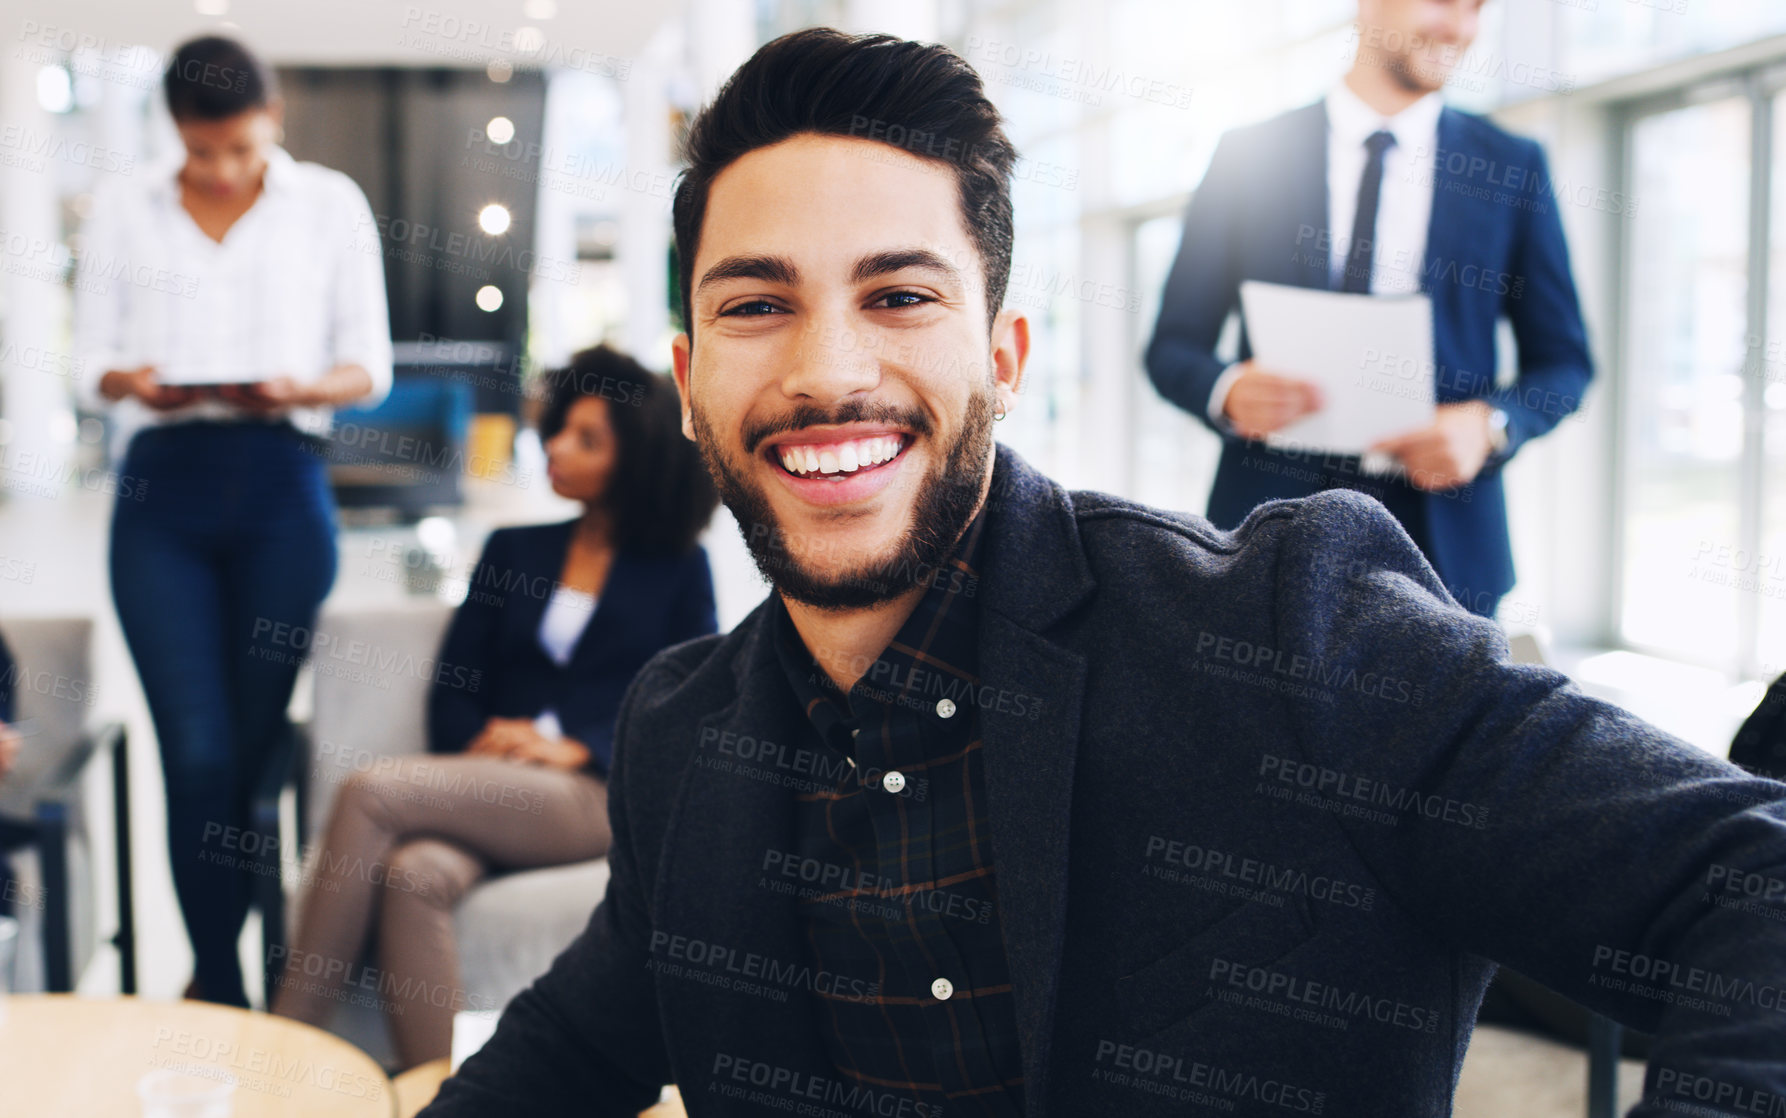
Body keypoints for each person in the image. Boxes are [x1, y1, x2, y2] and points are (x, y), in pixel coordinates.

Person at [422, 29, 1786, 1117]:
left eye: (899, 294)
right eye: (754, 304)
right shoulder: (683, 731)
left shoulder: (1291, 634)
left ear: (1003, 359)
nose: (826, 370)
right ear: (688, 380)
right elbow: (568, 1049)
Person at [272, 348, 720, 1069]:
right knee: (415, 873)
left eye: (587, 439)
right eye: (558, 432)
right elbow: (454, 685)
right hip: (492, 786)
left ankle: (285, 1045)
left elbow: (689, 697)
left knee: (371, 792)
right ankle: (438, 1092)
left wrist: (577, 745)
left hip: (597, 792)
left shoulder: (678, 569)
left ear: (635, 458)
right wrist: (487, 743)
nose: (556, 449)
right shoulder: (514, 551)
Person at [73, 36, 393, 1006]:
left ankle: (261, 971)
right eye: (203, 152)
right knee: (197, 749)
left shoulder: (329, 205)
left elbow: (366, 366)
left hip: (280, 490)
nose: (222, 170)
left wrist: (298, 385)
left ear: (274, 119)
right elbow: (89, 360)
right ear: (174, 131)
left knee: (252, 754)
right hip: (159, 493)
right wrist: (132, 380)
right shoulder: (125, 206)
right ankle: (218, 976)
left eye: (242, 150)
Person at [1144, 0, 1593, 619]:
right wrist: (1226, 389)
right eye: (1442, 1)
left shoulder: (1510, 166)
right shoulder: (1249, 154)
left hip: (1446, 546)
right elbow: (1172, 345)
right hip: (1267, 529)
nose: (1459, 28)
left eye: (1475, 8)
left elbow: (1565, 363)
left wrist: (1491, 425)